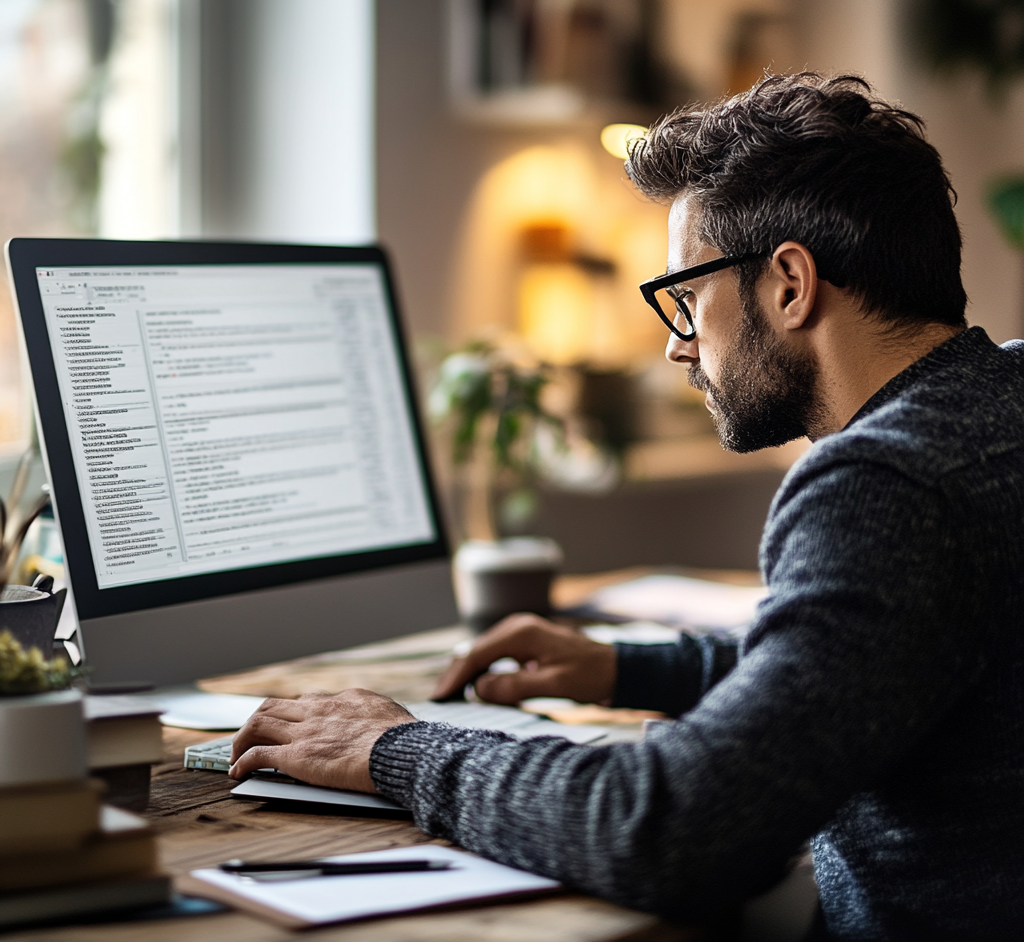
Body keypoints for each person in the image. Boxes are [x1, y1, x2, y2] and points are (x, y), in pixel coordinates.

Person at [229, 73, 1024, 941]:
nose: (680, 344)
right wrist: (626, 670)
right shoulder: (999, 407)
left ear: (790, 284)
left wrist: (397, 751)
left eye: (686, 298)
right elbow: (877, 672)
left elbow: (677, 830)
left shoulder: (886, 481)